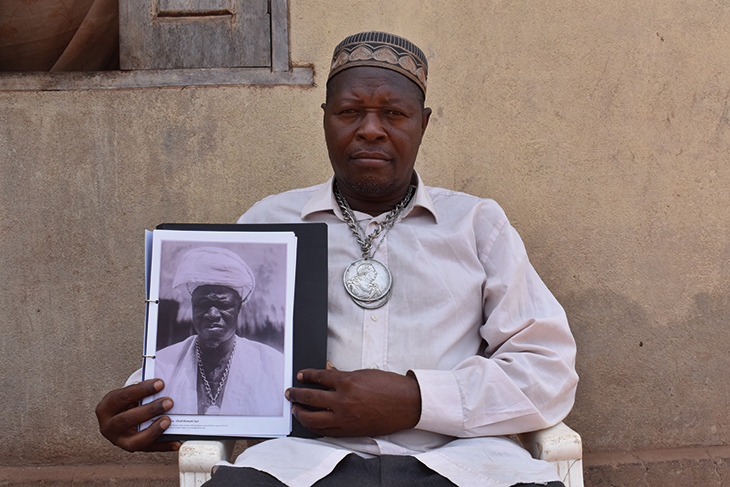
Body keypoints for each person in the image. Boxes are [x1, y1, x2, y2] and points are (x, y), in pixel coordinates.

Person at [96, 31, 578, 486]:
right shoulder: (270, 222)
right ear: (326, 117)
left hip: (464, 464)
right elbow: (213, 352)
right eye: (350, 112)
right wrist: (147, 408)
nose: (371, 130)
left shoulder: (476, 224)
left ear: (423, 123)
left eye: (394, 113)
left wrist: (415, 401)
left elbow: (548, 370)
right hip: (297, 466)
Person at [149, 246, 284, 417]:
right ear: (192, 307)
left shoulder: (273, 366)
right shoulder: (162, 365)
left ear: (239, 308)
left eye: (223, 305)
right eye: (203, 305)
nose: (212, 314)